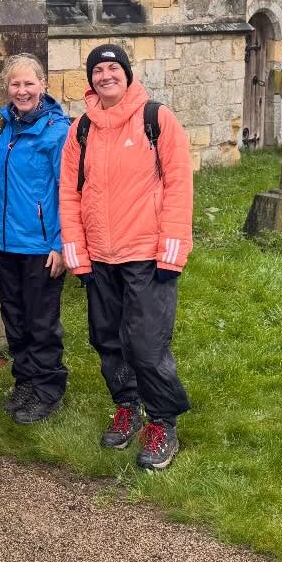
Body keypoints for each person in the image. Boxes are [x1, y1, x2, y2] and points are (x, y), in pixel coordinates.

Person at [59, 43, 193, 472]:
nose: (106, 76)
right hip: (100, 256)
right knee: (108, 340)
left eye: (113, 68)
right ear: (91, 80)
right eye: (98, 71)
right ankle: (127, 406)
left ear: (127, 73)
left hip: (146, 254)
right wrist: (77, 254)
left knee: (147, 345)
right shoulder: (81, 129)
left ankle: (163, 421)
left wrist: (172, 251)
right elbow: (69, 194)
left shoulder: (157, 119)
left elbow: (179, 185)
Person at [0, 54, 71, 425]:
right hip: (5, 242)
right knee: (14, 319)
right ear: (7, 88)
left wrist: (61, 244)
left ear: (43, 85)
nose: (22, 90)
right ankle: (25, 383)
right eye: (15, 84)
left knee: (41, 322)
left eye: (29, 83)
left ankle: (48, 389)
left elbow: (68, 191)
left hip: (41, 246)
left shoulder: (58, 132)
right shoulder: (0, 126)